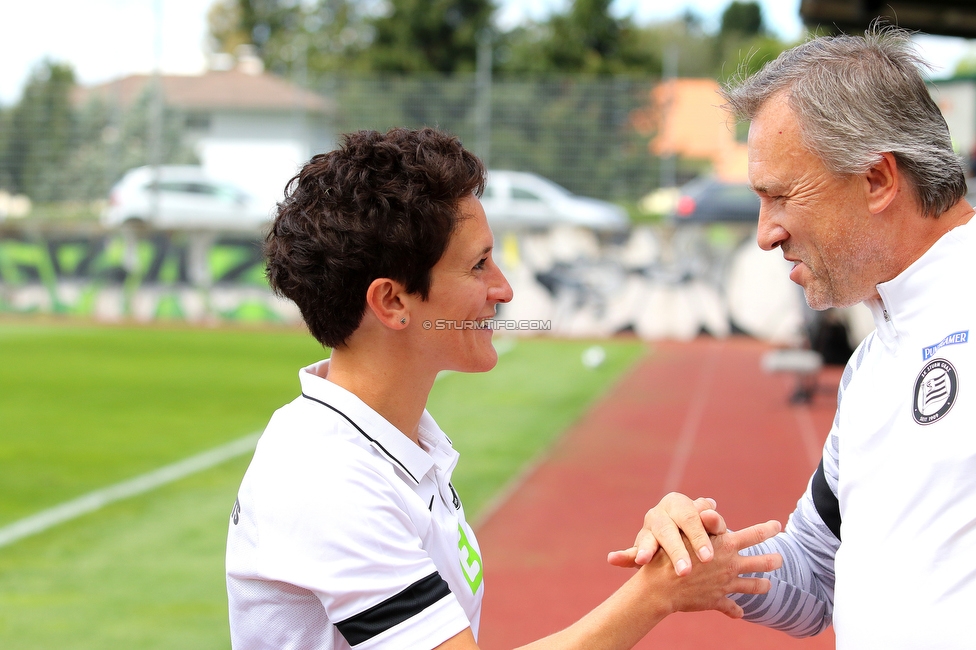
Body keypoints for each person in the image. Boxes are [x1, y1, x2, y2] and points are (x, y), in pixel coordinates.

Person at [225, 126, 783, 649]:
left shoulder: (397, 437)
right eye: (479, 266)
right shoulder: (328, 478)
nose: (506, 289)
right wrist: (658, 592)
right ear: (392, 302)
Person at [609, 24, 976, 650]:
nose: (765, 233)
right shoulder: (872, 364)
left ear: (878, 180)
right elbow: (815, 574)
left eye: (779, 196)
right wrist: (708, 559)